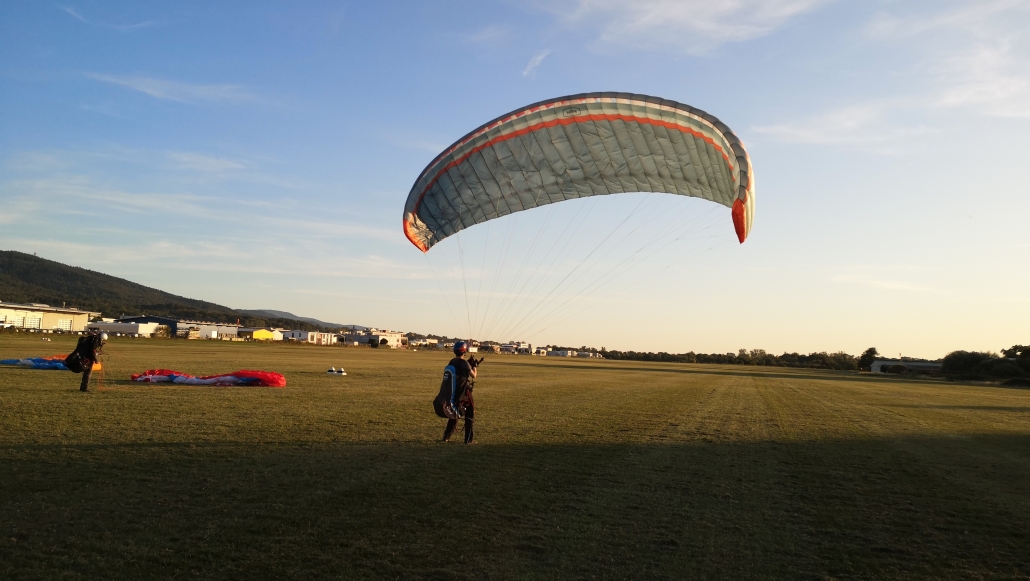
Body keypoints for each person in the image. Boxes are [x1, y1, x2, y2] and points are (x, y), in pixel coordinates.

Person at [433, 341, 482, 444]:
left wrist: (469, 363)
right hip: (464, 393)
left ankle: (446, 436)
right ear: (464, 351)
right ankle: (468, 440)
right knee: (470, 413)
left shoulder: (452, 361)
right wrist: (475, 366)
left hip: (455, 393)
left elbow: (460, 370)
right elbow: (474, 376)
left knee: (455, 412)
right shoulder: (464, 363)